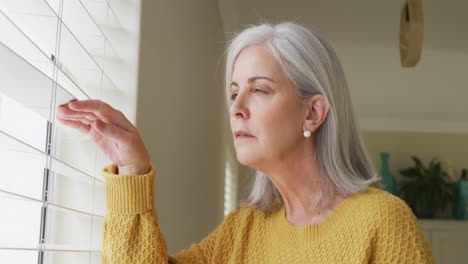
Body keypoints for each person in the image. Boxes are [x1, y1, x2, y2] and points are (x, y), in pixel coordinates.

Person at [57, 22, 435, 263]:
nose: (236, 108)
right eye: (234, 92)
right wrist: (132, 169)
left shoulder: (383, 222)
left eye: (260, 90)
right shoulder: (241, 233)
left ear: (313, 113)